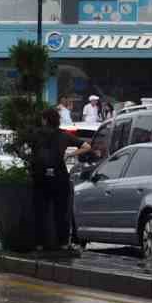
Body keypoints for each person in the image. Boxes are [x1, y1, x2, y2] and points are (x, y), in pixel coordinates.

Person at [29, 107, 92, 252]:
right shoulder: (64, 136)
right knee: (61, 211)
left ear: (45, 120)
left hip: (40, 177)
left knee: (39, 210)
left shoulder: (37, 135)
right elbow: (87, 146)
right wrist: (70, 155)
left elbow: (29, 150)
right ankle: (62, 242)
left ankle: (39, 243)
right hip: (59, 176)